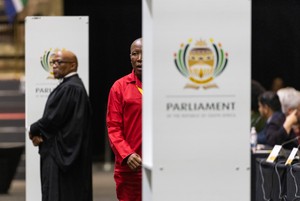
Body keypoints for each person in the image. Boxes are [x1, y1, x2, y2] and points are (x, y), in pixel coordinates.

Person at [29, 49, 93, 201]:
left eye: (59, 62)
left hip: (61, 155)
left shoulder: (71, 88)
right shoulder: (70, 86)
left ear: (72, 66)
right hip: (62, 152)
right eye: (52, 62)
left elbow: (52, 119)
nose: (54, 66)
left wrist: (34, 130)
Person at [106, 38, 142, 201]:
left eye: (144, 53)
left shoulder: (162, 86)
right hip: (131, 168)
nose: (140, 58)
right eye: (135, 54)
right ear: (130, 57)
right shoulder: (119, 87)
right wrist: (127, 155)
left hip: (160, 167)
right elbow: (113, 128)